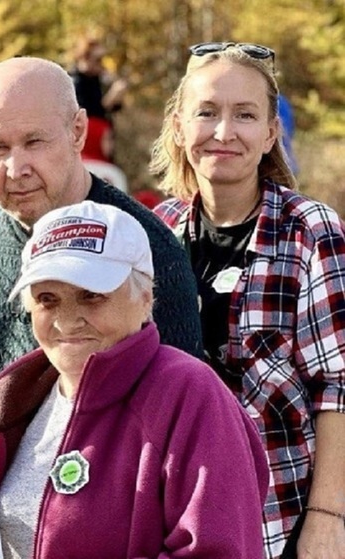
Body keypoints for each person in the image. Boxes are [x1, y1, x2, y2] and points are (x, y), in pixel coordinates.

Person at [0, 200, 269, 558]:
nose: (67, 321)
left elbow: (218, 551)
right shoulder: (15, 397)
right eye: (48, 300)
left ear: (145, 298)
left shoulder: (189, 394)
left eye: (91, 296)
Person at [0, 57, 203, 446]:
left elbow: (182, 404)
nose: (15, 167)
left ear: (77, 131)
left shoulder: (145, 248)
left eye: (34, 142)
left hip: (104, 494)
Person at [149, 42, 345, 559]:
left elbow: (337, 389)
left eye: (245, 115)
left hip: (282, 515)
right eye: (206, 113)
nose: (223, 132)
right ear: (178, 126)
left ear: (270, 133)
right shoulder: (157, 234)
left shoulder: (310, 231)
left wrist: (328, 518)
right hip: (176, 515)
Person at [69, 36, 128, 163]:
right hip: (88, 146)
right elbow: (87, 112)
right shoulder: (75, 82)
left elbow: (114, 109)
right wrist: (112, 97)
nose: (101, 64)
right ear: (85, 58)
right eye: (98, 60)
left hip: (103, 141)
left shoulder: (99, 79)